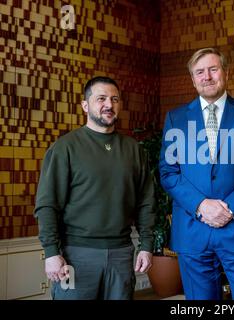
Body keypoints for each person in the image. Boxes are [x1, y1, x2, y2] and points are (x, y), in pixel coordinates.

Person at [159, 48, 234, 300]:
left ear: (225, 73)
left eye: (213, 69)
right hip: (193, 229)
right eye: (199, 72)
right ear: (193, 79)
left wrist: (229, 208)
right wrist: (201, 205)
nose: (207, 77)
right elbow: (168, 172)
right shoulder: (175, 118)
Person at [34, 76, 156, 300]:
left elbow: (146, 202)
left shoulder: (133, 150)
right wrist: (51, 252)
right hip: (75, 256)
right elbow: (47, 204)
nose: (109, 105)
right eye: (101, 99)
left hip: (121, 254)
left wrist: (147, 245)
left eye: (115, 99)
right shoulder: (64, 148)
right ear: (85, 105)